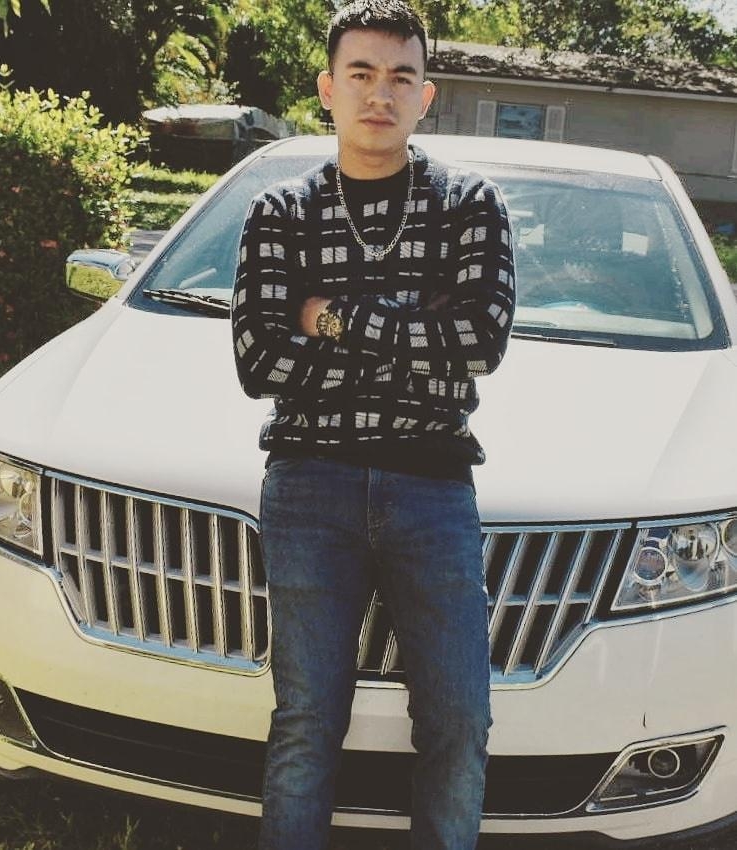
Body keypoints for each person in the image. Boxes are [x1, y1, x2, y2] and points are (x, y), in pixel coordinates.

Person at [231, 1, 515, 848]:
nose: (379, 94)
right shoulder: (280, 211)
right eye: (360, 74)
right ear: (327, 89)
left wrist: (332, 318)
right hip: (308, 484)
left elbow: (479, 343)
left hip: (433, 485)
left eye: (400, 76)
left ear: (427, 95)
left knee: (459, 719)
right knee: (307, 718)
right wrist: (415, 336)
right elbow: (260, 363)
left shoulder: (468, 203)